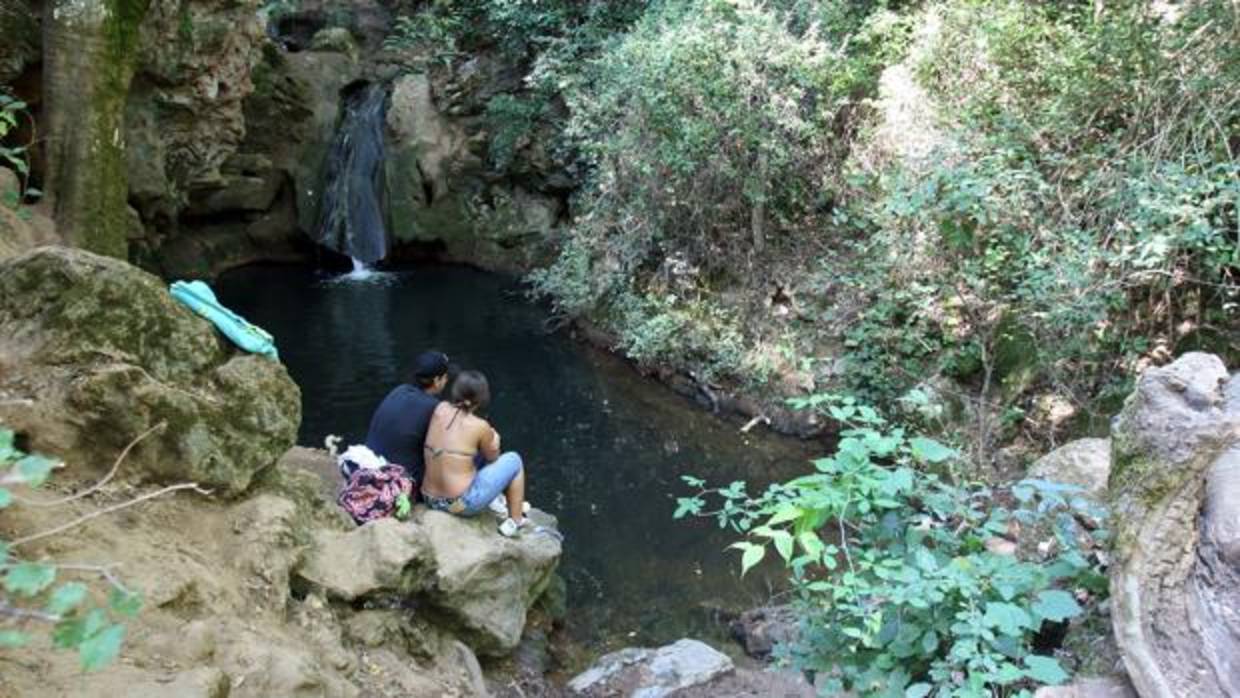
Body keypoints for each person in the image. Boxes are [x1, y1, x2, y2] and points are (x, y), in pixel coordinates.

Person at [420, 369, 529, 537]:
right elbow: (492, 457)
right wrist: (495, 441)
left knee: (463, 454)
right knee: (514, 460)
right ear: (481, 399)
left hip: (428, 498)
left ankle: (499, 501)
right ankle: (515, 521)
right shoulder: (480, 425)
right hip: (458, 505)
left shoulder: (439, 408)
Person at [364, 350, 450, 489]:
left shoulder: (399, 390)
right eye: (445, 377)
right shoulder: (436, 408)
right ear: (436, 380)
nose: (447, 380)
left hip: (366, 468)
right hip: (397, 481)